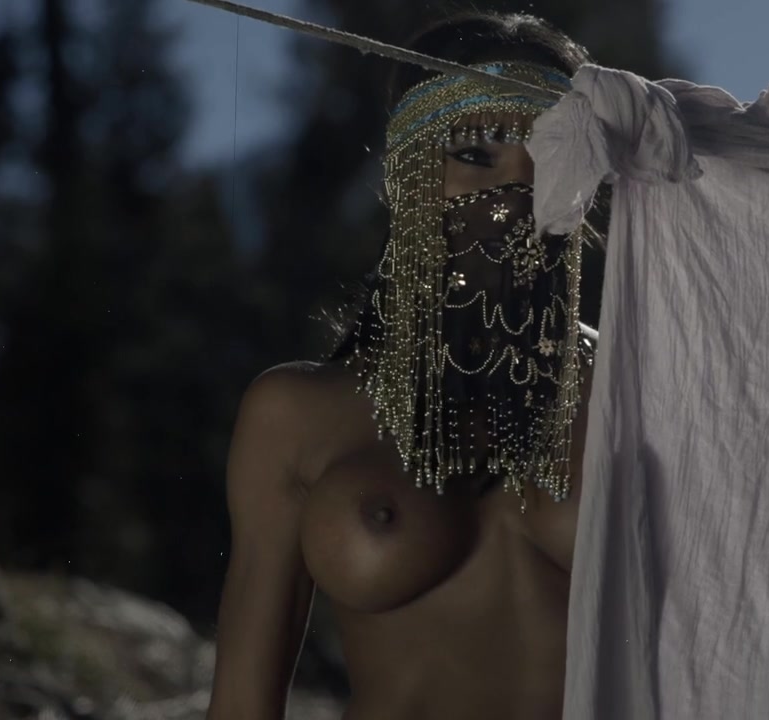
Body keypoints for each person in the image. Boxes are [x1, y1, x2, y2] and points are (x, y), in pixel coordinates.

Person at [206, 12, 601, 720]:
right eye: (476, 154)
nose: (517, 197)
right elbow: (242, 706)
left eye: (553, 160)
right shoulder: (298, 414)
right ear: (404, 172)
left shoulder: (637, 384)